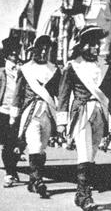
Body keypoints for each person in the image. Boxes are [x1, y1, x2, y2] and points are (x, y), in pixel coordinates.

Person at [57, 26, 111, 211]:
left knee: (92, 155)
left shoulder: (104, 66)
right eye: (92, 44)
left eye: (98, 44)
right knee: (84, 154)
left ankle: (80, 194)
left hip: (100, 112)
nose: (96, 48)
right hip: (81, 113)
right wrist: (61, 121)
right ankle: (86, 197)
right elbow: (63, 95)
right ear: (83, 45)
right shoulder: (73, 66)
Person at [10, 35, 61, 198]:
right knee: (35, 144)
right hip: (30, 112)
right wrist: (14, 113)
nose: (44, 51)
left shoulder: (54, 69)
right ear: (35, 49)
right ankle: (39, 181)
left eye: (47, 48)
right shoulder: (25, 69)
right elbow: (18, 93)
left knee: (42, 146)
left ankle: (33, 180)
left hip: (48, 111)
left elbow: (60, 93)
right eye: (41, 47)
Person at [0, 37, 22, 187]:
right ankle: (9, 172)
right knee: (7, 143)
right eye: (12, 52)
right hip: (3, 110)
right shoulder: (1, 72)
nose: (15, 54)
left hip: (19, 111)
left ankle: (12, 168)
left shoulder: (23, 70)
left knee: (18, 143)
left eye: (16, 52)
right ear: (6, 55)